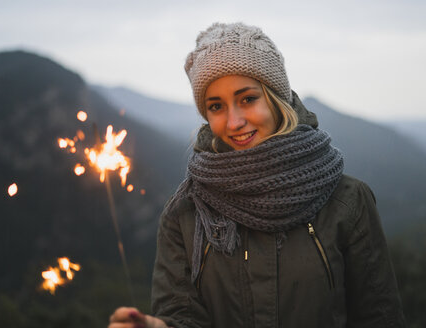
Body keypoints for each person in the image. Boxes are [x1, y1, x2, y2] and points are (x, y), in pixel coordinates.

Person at [109, 22, 405, 328]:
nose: (234, 121)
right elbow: (182, 317)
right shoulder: (185, 214)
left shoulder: (348, 201)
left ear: (276, 98)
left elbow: (379, 318)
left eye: (247, 99)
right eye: (216, 106)